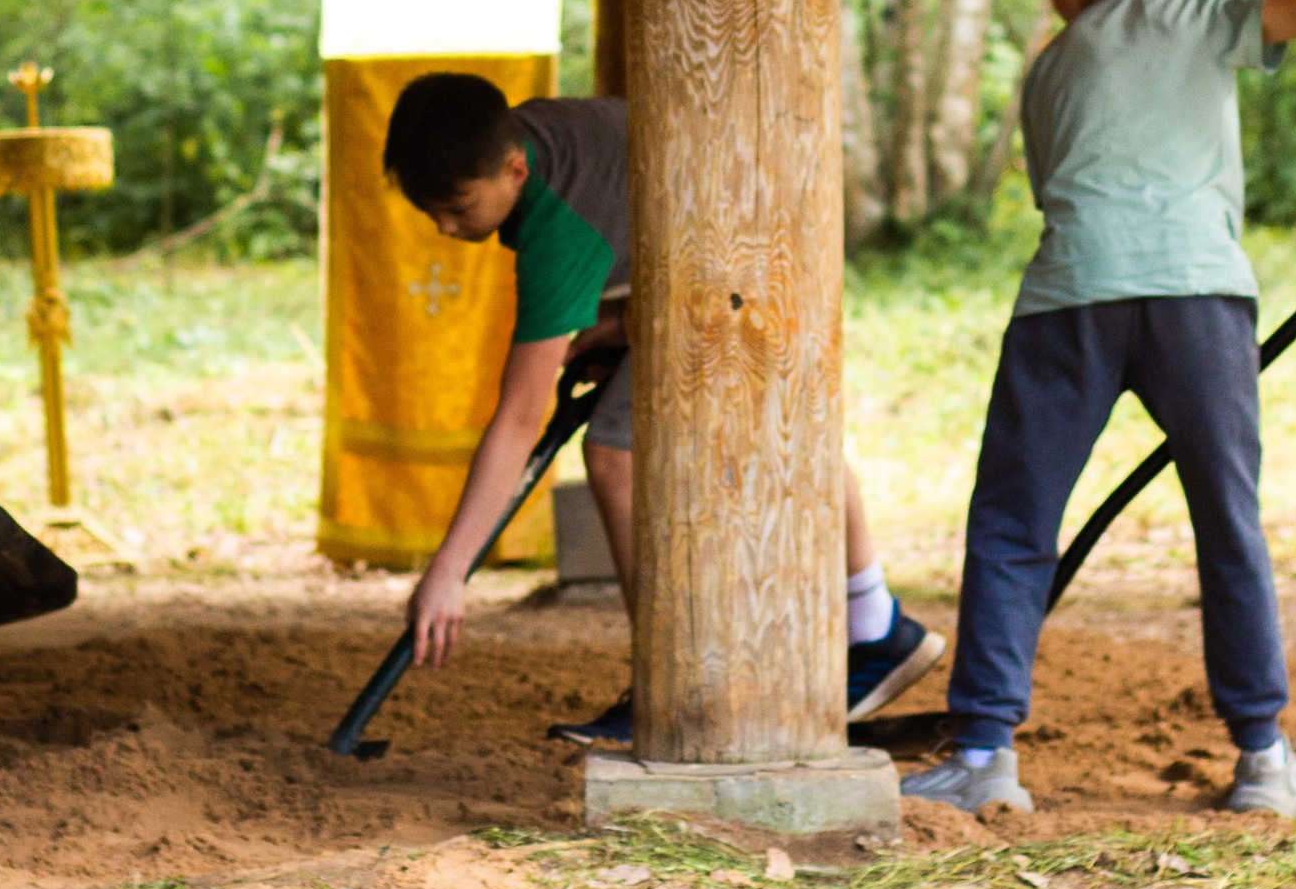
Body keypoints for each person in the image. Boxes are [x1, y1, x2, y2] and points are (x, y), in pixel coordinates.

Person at [902, 0, 1296, 819]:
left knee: (1013, 525)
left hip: (1071, 300)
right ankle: (1263, 758)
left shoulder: (1049, 69)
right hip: (1199, 302)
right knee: (1227, 524)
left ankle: (986, 751)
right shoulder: (1199, 15)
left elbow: (1056, 194)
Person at [381, 75, 942, 747]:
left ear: (512, 169)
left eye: (456, 207)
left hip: (750, 259)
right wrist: (616, 327)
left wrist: (447, 572)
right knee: (778, 418)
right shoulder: (523, 134)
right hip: (752, 235)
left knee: (619, 451)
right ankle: (867, 622)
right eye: (430, 212)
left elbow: (518, 419)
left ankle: (683, 678)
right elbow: (643, 246)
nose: (445, 227)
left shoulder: (556, 226)